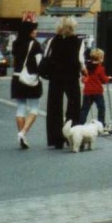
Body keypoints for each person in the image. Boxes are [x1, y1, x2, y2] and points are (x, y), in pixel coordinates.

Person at [44, 16, 86, 150]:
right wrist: (84, 71)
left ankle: (56, 138)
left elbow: (46, 56)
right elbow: (80, 60)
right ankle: (72, 134)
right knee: (74, 104)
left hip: (55, 76)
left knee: (54, 105)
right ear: (72, 27)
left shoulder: (52, 41)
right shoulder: (78, 42)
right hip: (71, 76)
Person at [9, 20, 44, 150]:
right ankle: (23, 133)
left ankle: (22, 137)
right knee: (34, 108)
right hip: (31, 79)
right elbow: (40, 63)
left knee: (20, 107)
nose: (36, 31)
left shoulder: (15, 43)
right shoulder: (35, 44)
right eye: (34, 29)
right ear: (29, 31)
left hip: (17, 78)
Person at [81, 48, 111, 128]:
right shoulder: (100, 68)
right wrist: (108, 78)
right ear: (100, 58)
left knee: (85, 108)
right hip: (97, 92)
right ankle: (101, 124)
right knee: (101, 108)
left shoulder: (86, 67)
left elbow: (83, 79)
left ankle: (80, 123)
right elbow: (103, 80)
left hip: (87, 91)